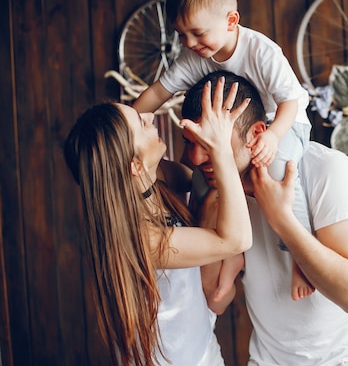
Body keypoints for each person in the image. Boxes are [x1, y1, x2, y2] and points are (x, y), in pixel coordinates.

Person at [133, 0, 314, 300]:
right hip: (237, 141)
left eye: (197, 33)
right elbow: (158, 91)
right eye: (181, 35)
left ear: (231, 21)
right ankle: (229, 260)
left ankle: (299, 255)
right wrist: (126, 121)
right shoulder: (194, 56)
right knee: (204, 189)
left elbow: (293, 100)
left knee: (279, 173)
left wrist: (275, 135)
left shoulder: (261, 51)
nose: (188, 43)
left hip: (284, 125)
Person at [180, 71, 348, 366]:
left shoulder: (327, 170)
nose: (196, 158)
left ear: (256, 135)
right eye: (191, 142)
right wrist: (208, 212)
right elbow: (216, 298)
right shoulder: (215, 194)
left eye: (211, 143)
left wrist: (281, 218)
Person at [64, 77, 252, 366]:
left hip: (201, 347)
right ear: (135, 165)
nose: (151, 115)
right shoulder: (140, 238)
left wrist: (192, 68)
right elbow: (236, 239)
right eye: (142, 123)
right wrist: (220, 145)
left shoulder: (152, 179)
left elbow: (201, 180)